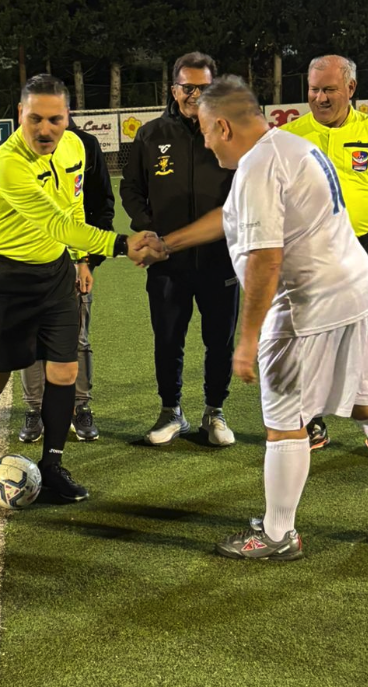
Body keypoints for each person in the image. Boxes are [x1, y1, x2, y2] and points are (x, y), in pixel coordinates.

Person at [145, 76, 368, 560]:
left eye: (204, 130)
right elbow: (230, 217)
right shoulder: (287, 146)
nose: (202, 139)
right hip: (351, 294)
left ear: (222, 125)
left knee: (284, 423)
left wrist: (246, 342)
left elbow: (266, 258)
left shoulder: (258, 168)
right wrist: (168, 244)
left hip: (306, 309)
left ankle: (277, 533)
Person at [0, 74, 160, 508]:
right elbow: (56, 221)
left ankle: (53, 465)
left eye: (55, 119)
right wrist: (121, 245)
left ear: (69, 118)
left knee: (63, 372)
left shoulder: (78, 147)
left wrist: (83, 259)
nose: (45, 130)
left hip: (56, 273)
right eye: (35, 119)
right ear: (19, 117)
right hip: (6, 278)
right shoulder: (8, 162)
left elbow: (75, 210)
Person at [281, 55, 368, 451]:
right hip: (308, 254)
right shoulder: (289, 136)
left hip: (365, 250)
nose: (320, 98)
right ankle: (312, 423)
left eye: (329, 90)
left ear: (351, 89)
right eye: (314, 90)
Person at [120, 51, 238, 447]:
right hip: (167, 259)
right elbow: (131, 189)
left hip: (220, 257)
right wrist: (149, 231)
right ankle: (171, 412)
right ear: (174, 89)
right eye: (188, 87)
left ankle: (214, 413)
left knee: (219, 339)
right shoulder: (151, 134)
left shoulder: (229, 131)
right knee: (168, 338)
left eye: (204, 87)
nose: (195, 94)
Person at [19, 118, 115, 443]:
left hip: (73, 260)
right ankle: (35, 410)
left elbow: (95, 205)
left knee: (78, 338)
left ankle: (81, 407)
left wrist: (87, 260)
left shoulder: (84, 144)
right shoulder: (18, 149)